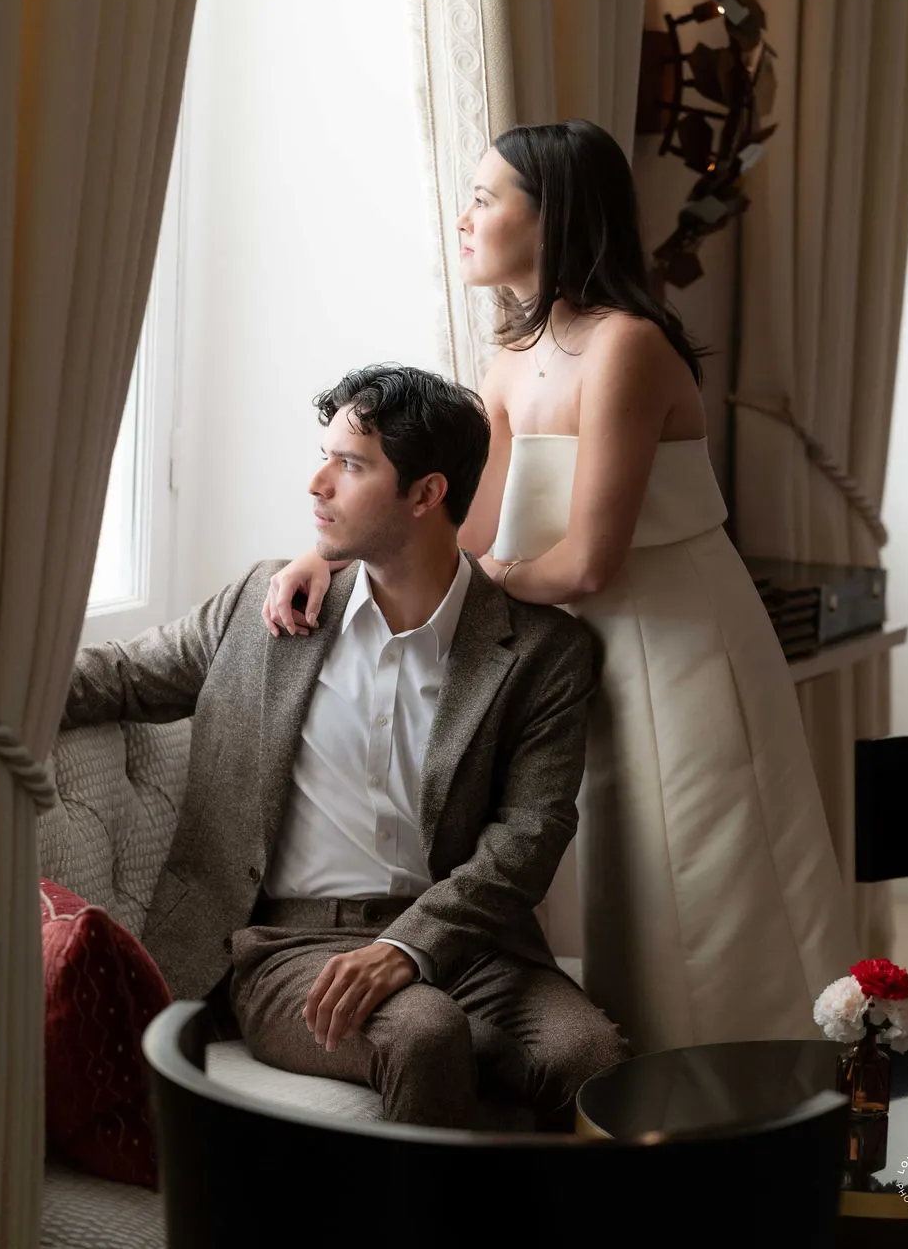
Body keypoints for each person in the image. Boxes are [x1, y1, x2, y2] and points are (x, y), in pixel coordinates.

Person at [264, 120, 856, 1054]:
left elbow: (587, 561)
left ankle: (760, 1085)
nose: (464, 218)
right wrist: (327, 561)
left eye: (485, 198)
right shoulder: (510, 363)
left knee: (706, 886)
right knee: (625, 893)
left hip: (677, 650)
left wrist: (493, 581)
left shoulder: (628, 347)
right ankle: (633, 1093)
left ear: (554, 217)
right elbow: (462, 528)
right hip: (577, 651)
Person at [65, 364, 629, 1130]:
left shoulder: (540, 650)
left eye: (351, 465)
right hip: (289, 945)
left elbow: (530, 834)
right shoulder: (271, 603)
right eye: (323, 455)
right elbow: (124, 675)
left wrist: (409, 945)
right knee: (423, 1033)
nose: (317, 482)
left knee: (588, 1056)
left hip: (465, 941)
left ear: (426, 494)